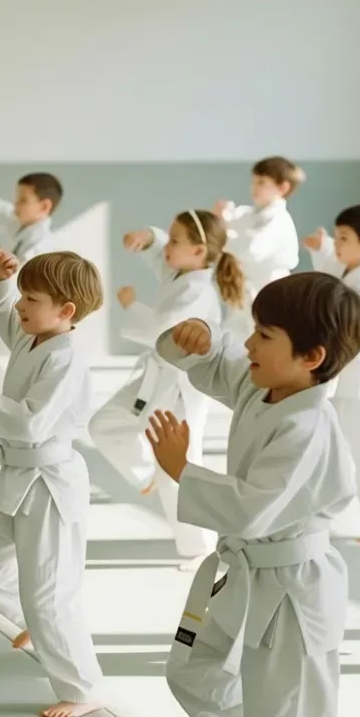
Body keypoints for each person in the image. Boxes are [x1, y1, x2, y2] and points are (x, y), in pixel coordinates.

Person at [148, 271, 360, 717]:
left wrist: (181, 469)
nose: (248, 344)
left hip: (293, 589)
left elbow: (250, 509)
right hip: (251, 573)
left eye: (263, 335)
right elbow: (204, 360)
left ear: (311, 357)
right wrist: (185, 338)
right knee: (191, 670)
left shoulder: (307, 427)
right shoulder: (264, 384)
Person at [0, 249, 106, 717]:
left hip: (48, 482)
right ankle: (34, 625)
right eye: (22, 295)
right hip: (17, 474)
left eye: (30, 298)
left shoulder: (65, 358)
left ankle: (83, 688)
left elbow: (34, 423)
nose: (20, 305)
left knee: (49, 593)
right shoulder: (34, 335)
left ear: (66, 311)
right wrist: (0, 280)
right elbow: (0, 308)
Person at [89, 209, 246, 567]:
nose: (167, 248)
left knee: (179, 467)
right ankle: (144, 472)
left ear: (198, 252)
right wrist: (148, 235)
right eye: (170, 238)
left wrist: (130, 305)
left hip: (179, 385)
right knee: (105, 424)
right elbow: (162, 253)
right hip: (157, 379)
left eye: (176, 241)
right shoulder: (183, 271)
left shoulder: (196, 289)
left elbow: (165, 329)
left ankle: (199, 548)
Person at [303, 204, 360, 542]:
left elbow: (356, 328)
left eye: (343, 238)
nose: (338, 244)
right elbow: (331, 268)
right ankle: (320, 514)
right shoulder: (351, 271)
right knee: (332, 450)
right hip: (341, 377)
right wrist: (322, 246)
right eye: (337, 236)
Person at [0, 172, 63, 392]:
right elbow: (5, 216)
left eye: (22, 200)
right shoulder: (25, 227)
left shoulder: (41, 242)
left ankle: (9, 399)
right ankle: (9, 398)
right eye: (16, 198)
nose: (15, 205)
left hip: (31, 317)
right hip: (22, 313)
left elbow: (24, 273)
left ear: (44, 207)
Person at [214, 156, 304, 339]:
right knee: (237, 338)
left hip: (269, 288)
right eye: (253, 182)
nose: (254, 187)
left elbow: (251, 250)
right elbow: (234, 222)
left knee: (261, 338)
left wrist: (223, 227)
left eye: (261, 182)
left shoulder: (278, 220)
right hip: (246, 291)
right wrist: (221, 217)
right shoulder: (252, 214)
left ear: (282, 188)